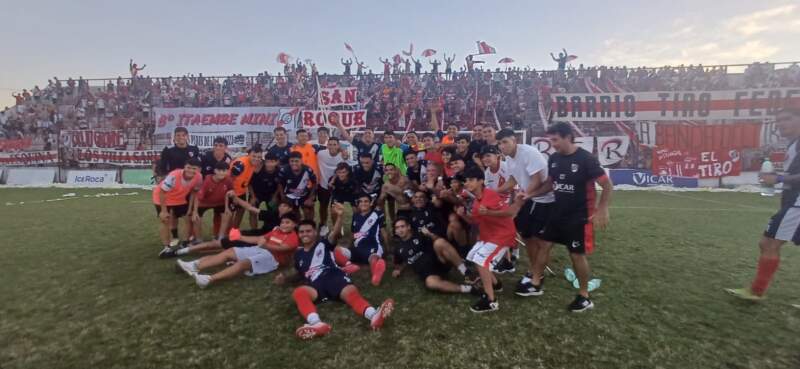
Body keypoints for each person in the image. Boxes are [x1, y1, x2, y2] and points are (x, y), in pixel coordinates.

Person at [274, 205, 394, 340]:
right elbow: (299, 273)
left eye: (308, 231)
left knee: (351, 294)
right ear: (298, 234)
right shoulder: (298, 254)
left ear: (315, 233)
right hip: (315, 284)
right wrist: (285, 278)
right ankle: (317, 324)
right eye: (302, 232)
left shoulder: (323, 244)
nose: (305, 234)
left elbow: (334, 233)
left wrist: (340, 216)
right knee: (299, 292)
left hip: (332, 276)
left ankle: (373, 315)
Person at [727, 106, 800, 303]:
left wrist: (779, 179)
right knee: (769, 243)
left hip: (797, 203)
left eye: (787, 118)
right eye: (779, 120)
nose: (781, 124)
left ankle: (756, 292)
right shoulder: (793, 144)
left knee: (768, 243)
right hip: (793, 200)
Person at [538, 122, 613, 312]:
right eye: (550, 140)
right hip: (557, 213)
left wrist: (602, 208)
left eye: (555, 140)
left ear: (568, 137)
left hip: (579, 217)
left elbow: (607, 184)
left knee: (576, 255)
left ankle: (584, 296)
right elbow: (550, 184)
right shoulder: (554, 158)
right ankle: (534, 283)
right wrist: (530, 194)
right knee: (544, 245)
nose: (552, 144)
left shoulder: (586, 159)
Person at [494, 128, 555, 294]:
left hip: (545, 200)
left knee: (542, 242)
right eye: (499, 143)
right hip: (530, 199)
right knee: (527, 236)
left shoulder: (529, 153)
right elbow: (514, 179)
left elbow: (538, 179)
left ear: (514, 140)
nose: (502, 146)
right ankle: (534, 270)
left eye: (505, 142)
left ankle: (537, 278)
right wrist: (495, 191)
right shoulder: (509, 157)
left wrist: (525, 195)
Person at [458, 167, 525, 313]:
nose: (467, 183)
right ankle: (495, 284)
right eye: (466, 181)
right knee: (472, 256)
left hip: (503, 234)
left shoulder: (491, 194)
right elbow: (474, 222)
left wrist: (489, 212)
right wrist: (463, 215)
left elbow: (509, 213)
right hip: (488, 235)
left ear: (481, 181)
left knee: (481, 260)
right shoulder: (476, 202)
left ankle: (490, 300)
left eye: (471, 180)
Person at [176, 214, 300, 288]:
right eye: (282, 222)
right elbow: (259, 238)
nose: (284, 225)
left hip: (273, 259)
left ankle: (208, 279)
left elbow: (282, 249)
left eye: (287, 223)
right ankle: (195, 266)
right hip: (261, 249)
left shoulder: (293, 238)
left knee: (243, 263)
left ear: (295, 224)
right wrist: (240, 237)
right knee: (230, 251)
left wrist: (265, 245)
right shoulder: (276, 230)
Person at [391, 218, 476, 294]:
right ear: (395, 231)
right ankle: (469, 289)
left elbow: (440, 240)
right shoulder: (398, 249)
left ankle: (466, 272)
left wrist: (429, 234)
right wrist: (398, 270)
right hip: (428, 274)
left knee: (439, 242)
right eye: (397, 228)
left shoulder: (419, 235)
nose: (400, 230)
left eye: (402, 226)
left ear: (408, 227)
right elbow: (400, 263)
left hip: (439, 261)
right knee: (431, 283)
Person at [158, 127, 201, 245]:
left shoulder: (194, 149)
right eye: (178, 135)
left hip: (189, 186)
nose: (180, 137)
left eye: (183, 135)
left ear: (187, 136)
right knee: (173, 214)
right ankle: (175, 236)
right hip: (175, 186)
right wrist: (164, 178)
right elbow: (162, 167)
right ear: (174, 137)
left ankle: (190, 236)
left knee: (189, 213)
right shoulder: (168, 150)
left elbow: (197, 166)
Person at [154, 158, 203, 258]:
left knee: (188, 218)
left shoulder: (199, 177)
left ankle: (185, 243)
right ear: (184, 167)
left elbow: (194, 193)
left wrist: (192, 210)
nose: (190, 170)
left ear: (198, 169)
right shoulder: (174, 175)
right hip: (162, 198)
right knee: (165, 220)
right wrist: (163, 211)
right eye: (188, 167)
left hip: (179, 199)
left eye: (194, 168)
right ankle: (166, 247)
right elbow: (162, 192)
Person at [338, 193, 388, 286]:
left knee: (374, 259)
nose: (363, 203)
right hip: (357, 249)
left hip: (372, 246)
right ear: (358, 204)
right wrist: (349, 246)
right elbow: (353, 234)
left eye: (366, 201)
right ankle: (348, 266)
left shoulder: (377, 214)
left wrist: (387, 248)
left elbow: (383, 231)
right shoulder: (355, 216)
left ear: (371, 203)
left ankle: (376, 277)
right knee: (336, 250)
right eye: (360, 202)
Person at [191, 162, 234, 241]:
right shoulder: (207, 180)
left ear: (228, 171)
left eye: (224, 171)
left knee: (227, 214)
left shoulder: (228, 179)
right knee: (196, 218)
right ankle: (198, 239)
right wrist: (195, 211)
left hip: (220, 203)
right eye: (219, 170)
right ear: (215, 171)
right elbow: (198, 197)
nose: (222, 173)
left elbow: (230, 192)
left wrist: (227, 206)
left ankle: (221, 237)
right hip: (204, 203)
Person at [230, 145, 263, 228]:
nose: (256, 159)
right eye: (254, 156)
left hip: (242, 192)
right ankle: (227, 233)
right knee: (229, 214)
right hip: (232, 192)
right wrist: (233, 195)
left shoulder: (254, 164)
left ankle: (234, 230)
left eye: (259, 157)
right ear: (249, 155)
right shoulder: (241, 163)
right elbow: (229, 178)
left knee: (240, 212)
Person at [279, 151, 317, 220]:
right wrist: (282, 196)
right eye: (292, 161)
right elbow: (280, 183)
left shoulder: (308, 170)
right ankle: (297, 224)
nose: (294, 163)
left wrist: (310, 197)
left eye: (296, 161)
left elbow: (314, 183)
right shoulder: (284, 170)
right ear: (289, 161)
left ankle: (310, 223)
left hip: (304, 195)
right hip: (290, 195)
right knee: (293, 214)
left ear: (301, 161)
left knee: (308, 210)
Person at [249, 153, 282, 228]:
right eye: (267, 162)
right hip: (257, 194)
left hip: (271, 194)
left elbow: (280, 185)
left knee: (274, 211)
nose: (269, 164)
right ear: (264, 162)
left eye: (272, 162)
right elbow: (249, 184)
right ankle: (254, 231)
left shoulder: (279, 171)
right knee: (252, 211)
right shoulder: (258, 170)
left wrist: (275, 196)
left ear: (277, 162)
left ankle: (272, 229)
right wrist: (253, 197)